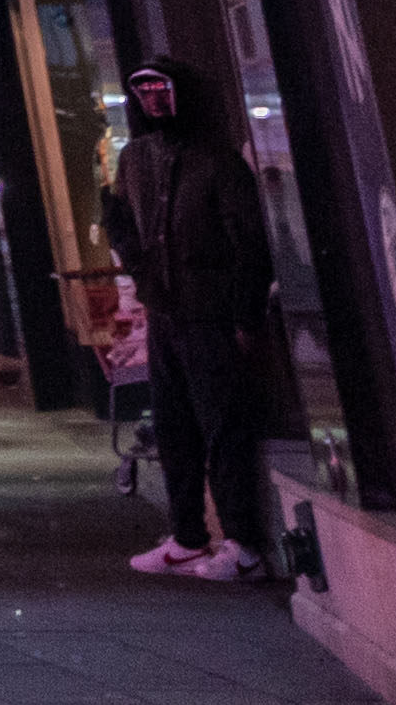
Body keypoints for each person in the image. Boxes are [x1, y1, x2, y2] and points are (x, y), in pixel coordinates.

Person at [107, 56, 280, 582]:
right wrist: (138, 270)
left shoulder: (216, 160)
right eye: (145, 93)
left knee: (223, 427)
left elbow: (249, 242)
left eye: (162, 91)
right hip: (167, 311)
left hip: (210, 310)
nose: (154, 101)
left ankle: (243, 543)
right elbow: (117, 218)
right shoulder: (137, 157)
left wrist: (244, 315)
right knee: (174, 426)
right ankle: (187, 536)